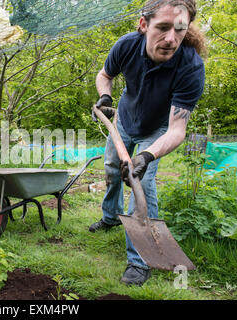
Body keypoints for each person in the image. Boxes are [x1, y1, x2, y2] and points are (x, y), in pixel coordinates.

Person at [90, 0, 206, 286]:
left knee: (141, 184)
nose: (171, 39)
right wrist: (105, 97)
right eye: (163, 27)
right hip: (125, 120)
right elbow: (105, 76)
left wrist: (147, 157)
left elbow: (178, 130)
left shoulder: (190, 67)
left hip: (157, 130)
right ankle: (110, 218)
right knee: (112, 169)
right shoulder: (127, 46)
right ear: (143, 25)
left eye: (179, 29)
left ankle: (139, 261)